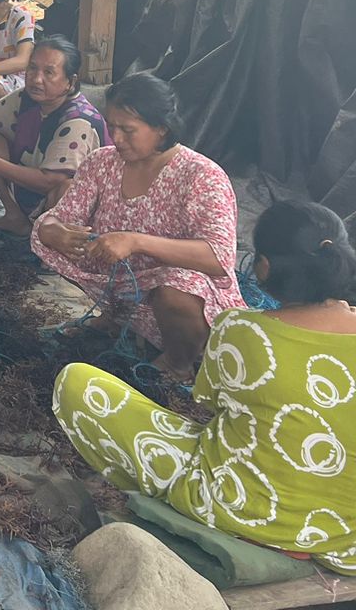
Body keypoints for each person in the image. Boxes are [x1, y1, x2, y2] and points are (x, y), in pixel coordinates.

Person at [52, 196, 356, 574]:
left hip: (228, 505)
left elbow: (211, 402)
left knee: (78, 383)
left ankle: (242, 527)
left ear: (263, 267)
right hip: (343, 537)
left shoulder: (240, 330)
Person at [32, 72, 246, 376]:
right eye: (112, 126)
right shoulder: (102, 162)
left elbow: (219, 257)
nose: (116, 138)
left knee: (179, 287)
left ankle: (178, 362)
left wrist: (136, 241)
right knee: (53, 241)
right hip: (126, 282)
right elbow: (62, 216)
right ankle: (118, 316)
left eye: (128, 130)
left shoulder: (202, 176)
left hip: (188, 298)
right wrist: (52, 230)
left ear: (162, 128)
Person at [0, 35, 107, 235]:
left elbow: (50, 181)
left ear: (70, 82)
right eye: (32, 68)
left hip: (67, 204)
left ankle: (55, 243)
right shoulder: (29, 97)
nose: (36, 79)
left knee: (66, 188)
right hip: (34, 186)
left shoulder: (78, 121)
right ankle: (16, 217)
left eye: (49, 72)